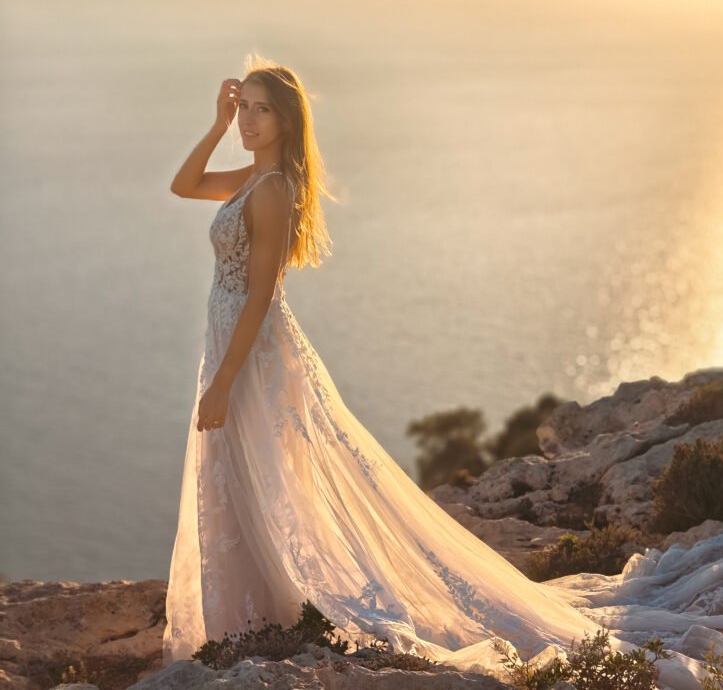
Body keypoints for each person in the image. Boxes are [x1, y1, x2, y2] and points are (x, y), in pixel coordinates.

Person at [163, 53, 624, 677]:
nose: (248, 119)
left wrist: (222, 384)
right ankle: (253, 617)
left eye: (260, 109)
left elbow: (262, 293)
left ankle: (274, 619)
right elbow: (184, 185)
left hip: (251, 355)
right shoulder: (249, 177)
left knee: (270, 478)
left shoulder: (271, 192)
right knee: (243, 478)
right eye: (242, 106)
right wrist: (216, 125)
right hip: (229, 345)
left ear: (288, 121)